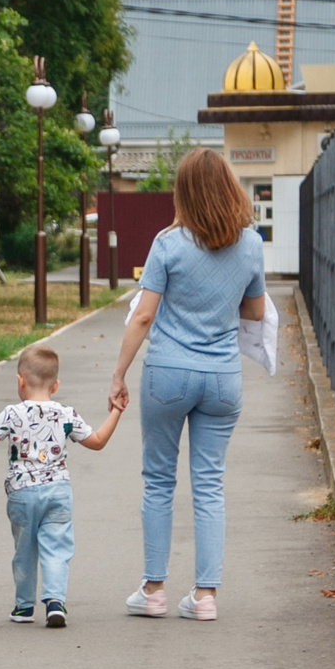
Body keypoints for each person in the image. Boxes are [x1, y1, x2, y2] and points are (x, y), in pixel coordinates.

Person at [106, 147, 267, 622]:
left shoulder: (169, 243)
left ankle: (153, 591)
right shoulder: (251, 244)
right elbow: (255, 312)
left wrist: (118, 374)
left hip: (168, 375)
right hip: (222, 380)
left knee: (158, 480)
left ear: (184, 192)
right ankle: (205, 597)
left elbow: (144, 314)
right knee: (210, 484)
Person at [0, 343, 123, 628]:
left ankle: (24, 607)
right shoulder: (66, 414)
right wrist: (116, 412)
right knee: (57, 548)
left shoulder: (12, 413)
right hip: (58, 491)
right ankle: (55, 602)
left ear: (20, 380)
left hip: (22, 494)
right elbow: (97, 442)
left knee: (25, 550)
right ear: (55, 385)